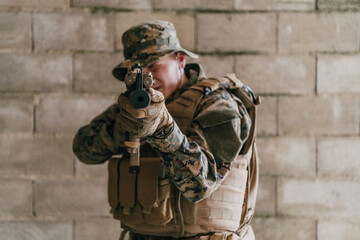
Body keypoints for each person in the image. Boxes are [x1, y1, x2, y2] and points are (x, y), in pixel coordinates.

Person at [73, 20, 260, 240]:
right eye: (137, 72)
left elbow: (200, 184)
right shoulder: (132, 108)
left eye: (154, 66)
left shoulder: (218, 104)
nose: (148, 79)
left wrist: (161, 128)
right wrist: (123, 130)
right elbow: (83, 149)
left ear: (180, 60)